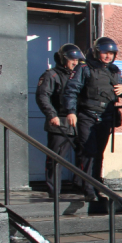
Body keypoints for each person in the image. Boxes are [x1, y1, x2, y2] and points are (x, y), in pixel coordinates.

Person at [62, 36, 122, 201]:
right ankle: (88, 190)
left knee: (98, 154)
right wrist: (71, 111)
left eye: (111, 53)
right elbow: (72, 90)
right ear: (96, 52)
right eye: (104, 53)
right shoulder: (85, 68)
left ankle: (96, 187)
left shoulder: (114, 70)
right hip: (88, 115)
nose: (108, 56)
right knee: (89, 152)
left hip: (106, 117)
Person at [35, 43, 82, 197]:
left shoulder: (79, 75)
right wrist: (51, 115)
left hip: (79, 121)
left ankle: (80, 187)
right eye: (71, 60)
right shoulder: (52, 75)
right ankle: (54, 191)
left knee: (84, 156)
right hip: (60, 121)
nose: (75, 63)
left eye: (77, 60)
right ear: (63, 59)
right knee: (56, 159)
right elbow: (43, 96)